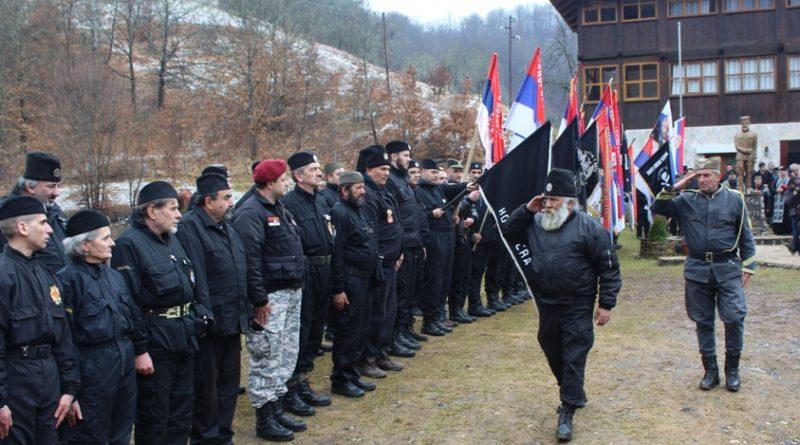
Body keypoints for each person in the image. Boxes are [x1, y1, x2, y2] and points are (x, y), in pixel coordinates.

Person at [502, 169, 620, 442]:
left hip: (577, 304)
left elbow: (609, 269)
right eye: (546, 199)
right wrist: (526, 210)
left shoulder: (590, 228)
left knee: (573, 356)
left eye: (554, 200)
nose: (548, 204)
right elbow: (509, 233)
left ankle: (566, 410)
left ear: (569, 202)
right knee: (551, 348)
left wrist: (606, 304)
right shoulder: (537, 222)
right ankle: (574, 392)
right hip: (547, 304)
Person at [111, 181, 209, 444]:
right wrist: (140, 349)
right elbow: (128, 302)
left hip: (184, 335)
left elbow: (191, 281)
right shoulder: (128, 244)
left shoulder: (172, 239)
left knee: (181, 411)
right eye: (173, 208)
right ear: (152, 211)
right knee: (155, 415)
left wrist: (199, 314)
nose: (179, 214)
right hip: (156, 342)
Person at [651, 156, 756, 394]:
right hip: (698, 270)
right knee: (703, 320)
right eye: (698, 176)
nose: (702, 180)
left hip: (728, 269)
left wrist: (748, 266)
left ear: (718, 176)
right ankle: (710, 371)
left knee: (734, 318)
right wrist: (679, 184)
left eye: (707, 175)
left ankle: (732, 371)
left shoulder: (734, 199)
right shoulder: (686, 200)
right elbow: (657, 206)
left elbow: (745, 235)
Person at [231, 159, 307, 441]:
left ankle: (277, 406)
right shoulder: (250, 212)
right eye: (283, 179)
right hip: (269, 298)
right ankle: (264, 417)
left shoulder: (279, 208)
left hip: (290, 291)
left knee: (285, 352)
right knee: (266, 354)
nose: (287, 182)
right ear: (270, 183)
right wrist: (259, 299)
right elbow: (249, 260)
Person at [177, 173, 251, 445]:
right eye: (227, 197)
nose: (232, 202)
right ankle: (206, 438)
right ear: (209, 201)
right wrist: (204, 315)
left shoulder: (226, 225)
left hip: (232, 319)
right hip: (210, 324)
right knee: (207, 387)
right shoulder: (190, 228)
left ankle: (224, 435)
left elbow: (238, 268)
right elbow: (198, 277)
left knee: (229, 385)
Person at [0, 196, 79, 444]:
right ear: (22, 228)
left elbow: (63, 336)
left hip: (49, 375)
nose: (49, 229)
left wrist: (69, 389)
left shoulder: (46, 274)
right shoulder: (4, 274)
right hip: (16, 378)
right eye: (43, 222)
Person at [58, 209, 136, 445]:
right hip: (91, 371)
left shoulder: (114, 277)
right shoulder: (67, 281)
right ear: (84, 246)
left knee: (121, 433)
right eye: (105, 238)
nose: (112, 243)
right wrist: (71, 391)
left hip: (122, 363)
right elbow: (64, 340)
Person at [281, 152, 335, 414]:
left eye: (318, 168)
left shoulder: (322, 200)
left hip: (326, 269)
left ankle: (303, 380)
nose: (319, 172)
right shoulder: (288, 204)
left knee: (316, 329)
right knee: (300, 331)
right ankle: (291, 387)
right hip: (306, 271)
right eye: (313, 169)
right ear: (298, 175)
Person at [328, 171, 380, 398]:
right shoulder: (339, 213)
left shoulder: (359, 210)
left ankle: (353, 373)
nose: (363, 191)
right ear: (344, 190)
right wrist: (338, 289)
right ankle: (341, 379)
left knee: (361, 329)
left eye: (362, 187)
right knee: (348, 331)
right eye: (357, 188)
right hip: (350, 279)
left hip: (366, 278)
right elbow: (337, 253)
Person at [359, 148, 408, 378]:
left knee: (388, 311)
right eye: (381, 169)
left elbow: (394, 224)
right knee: (376, 312)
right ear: (368, 170)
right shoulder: (367, 194)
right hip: (378, 264)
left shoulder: (384, 192)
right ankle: (368, 358)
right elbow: (371, 232)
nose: (386, 173)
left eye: (388, 169)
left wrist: (399, 252)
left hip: (392, 262)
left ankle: (381, 352)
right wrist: (380, 258)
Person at [415, 159, 470, 336]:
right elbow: (414, 215)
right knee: (434, 279)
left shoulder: (439, 187)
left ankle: (439, 316)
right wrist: (430, 214)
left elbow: (455, 188)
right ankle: (429, 320)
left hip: (448, 235)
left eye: (438, 173)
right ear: (423, 171)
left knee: (445, 278)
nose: (436, 176)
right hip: (434, 235)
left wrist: (469, 185)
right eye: (433, 172)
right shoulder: (418, 190)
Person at [384, 141, 426, 353]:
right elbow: (395, 217)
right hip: (403, 245)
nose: (409, 159)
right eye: (405, 155)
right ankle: (394, 337)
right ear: (393, 156)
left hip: (413, 242)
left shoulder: (402, 179)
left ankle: (405, 329)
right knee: (399, 294)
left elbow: (414, 214)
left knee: (410, 291)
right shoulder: (391, 180)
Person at [0, 152, 68, 274]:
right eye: (51, 186)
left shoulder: (53, 209)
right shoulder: (8, 214)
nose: (57, 192)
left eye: (59, 185)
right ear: (30, 187)